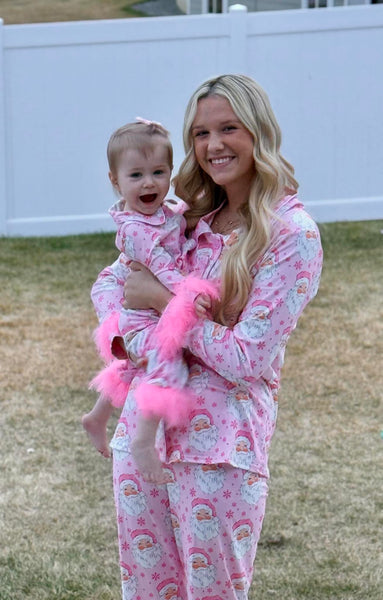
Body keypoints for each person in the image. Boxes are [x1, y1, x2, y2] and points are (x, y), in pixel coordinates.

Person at [90, 74, 323, 600]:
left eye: (228, 128)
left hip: (219, 449)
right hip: (143, 436)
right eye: (200, 133)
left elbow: (245, 358)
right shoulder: (190, 219)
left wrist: (159, 303)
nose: (214, 145)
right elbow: (113, 282)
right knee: (146, 592)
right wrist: (124, 339)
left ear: (258, 131)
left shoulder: (291, 234)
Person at [82, 119, 218, 482]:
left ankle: (96, 417)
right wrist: (187, 294)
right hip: (139, 316)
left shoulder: (162, 215)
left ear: (170, 173)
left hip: (144, 309)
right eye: (136, 175)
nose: (149, 183)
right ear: (115, 181)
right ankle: (144, 441)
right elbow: (162, 269)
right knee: (166, 363)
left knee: (132, 363)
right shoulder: (134, 230)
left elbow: (185, 225)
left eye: (158, 172)